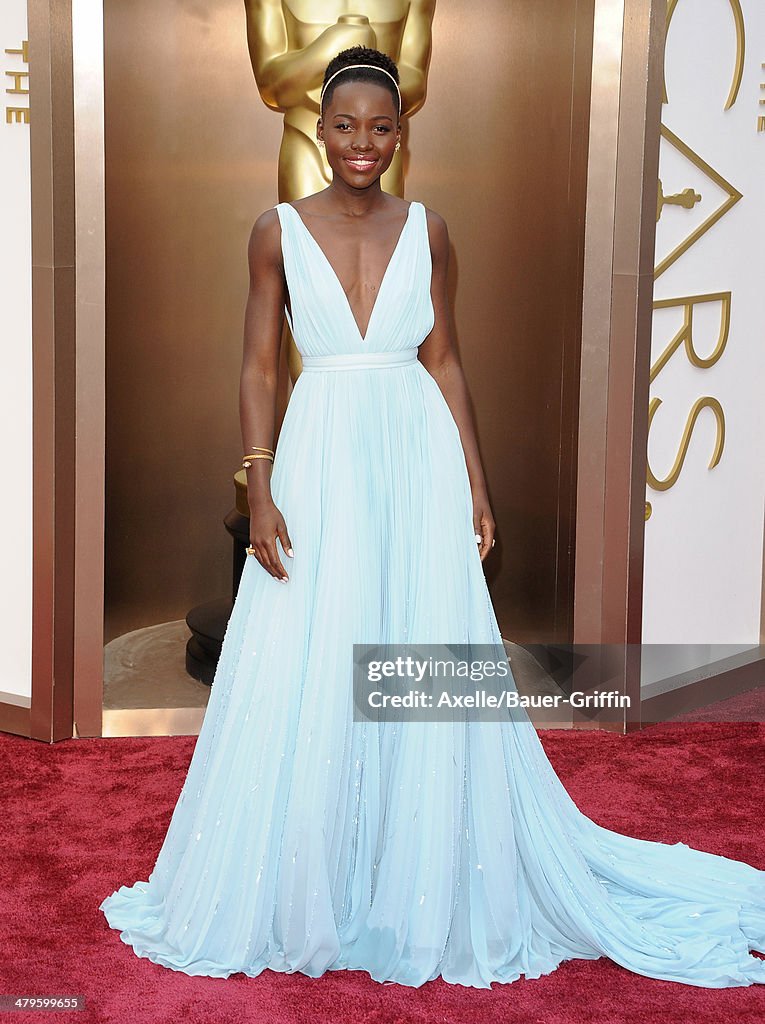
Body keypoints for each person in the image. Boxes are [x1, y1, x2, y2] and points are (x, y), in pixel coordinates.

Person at [100, 46, 765, 990]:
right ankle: (316, 878)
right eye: (343, 126)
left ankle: (414, 867)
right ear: (316, 131)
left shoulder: (432, 230)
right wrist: (261, 484)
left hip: (412, 454)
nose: (360, 142)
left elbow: (445, 359)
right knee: (313, 651)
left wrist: (476, 481)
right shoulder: (273, 230)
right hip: (323, 449)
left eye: (379, 127)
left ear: (400, 134)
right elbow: (255, 367)